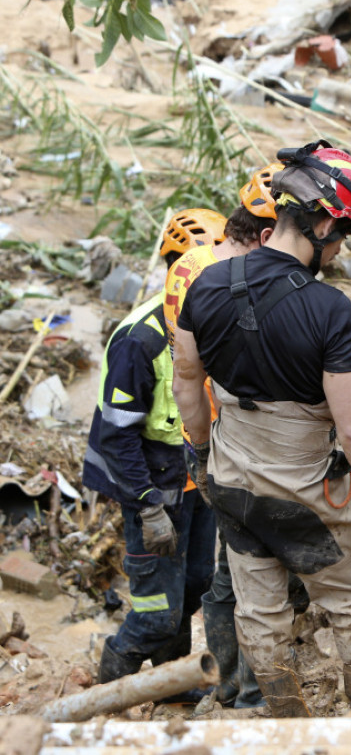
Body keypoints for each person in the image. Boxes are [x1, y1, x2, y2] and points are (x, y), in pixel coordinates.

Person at [172, 141, 351, 717]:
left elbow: (186, 388)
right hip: (309, 491)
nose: (341, 247)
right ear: (322, 222)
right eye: (343, 233)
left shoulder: (205, 287)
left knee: (260, 611)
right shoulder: (328, 309)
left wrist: (200, 457)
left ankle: (286, 723)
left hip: (236, 480)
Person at [84, 210, 224, 688]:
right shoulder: (140, 339)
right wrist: (146, 507)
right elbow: (117, 435)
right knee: (155, 616)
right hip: (148, 485)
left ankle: (173, 700)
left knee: (193, 590)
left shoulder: (210, 323)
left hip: (192, 480)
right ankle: (101, 702)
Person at [163, 166, 280, 709]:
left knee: (232, 566)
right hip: (231, 437)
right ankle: (245, 689)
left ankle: (236, 683)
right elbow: (198, 371)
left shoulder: (196, 268)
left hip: (217, 436)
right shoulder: (218, 276)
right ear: (265, 236)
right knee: (242, 568)